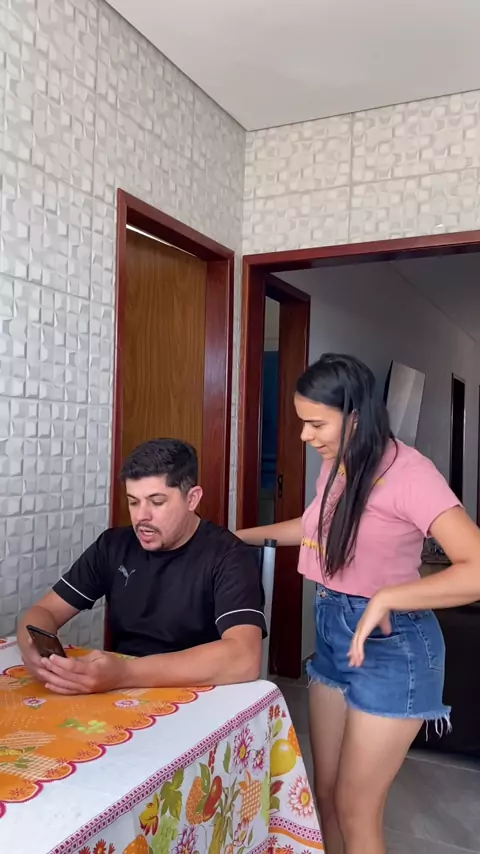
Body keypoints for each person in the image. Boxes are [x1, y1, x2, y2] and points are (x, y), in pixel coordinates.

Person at [237, 353, 480, 854]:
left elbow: (475, 568)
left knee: (355, 807)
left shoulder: (411, 473)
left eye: (315, 424)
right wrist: (234, 537)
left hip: (394, 648)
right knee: (324, 794)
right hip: (334, 634)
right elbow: (314, 528)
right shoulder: (337, 464)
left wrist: (389, 595)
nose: (304, 436)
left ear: (354, 416)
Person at [18, 438, 265, 695]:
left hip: (200, 693)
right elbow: (44, 611)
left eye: (156, 502)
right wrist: (33, 649)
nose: (141, 516)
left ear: (192, 499)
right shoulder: (113, 545)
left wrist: (125, 674)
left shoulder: (229, 555)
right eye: (133, 502)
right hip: (119, 692)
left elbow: (244, 658)